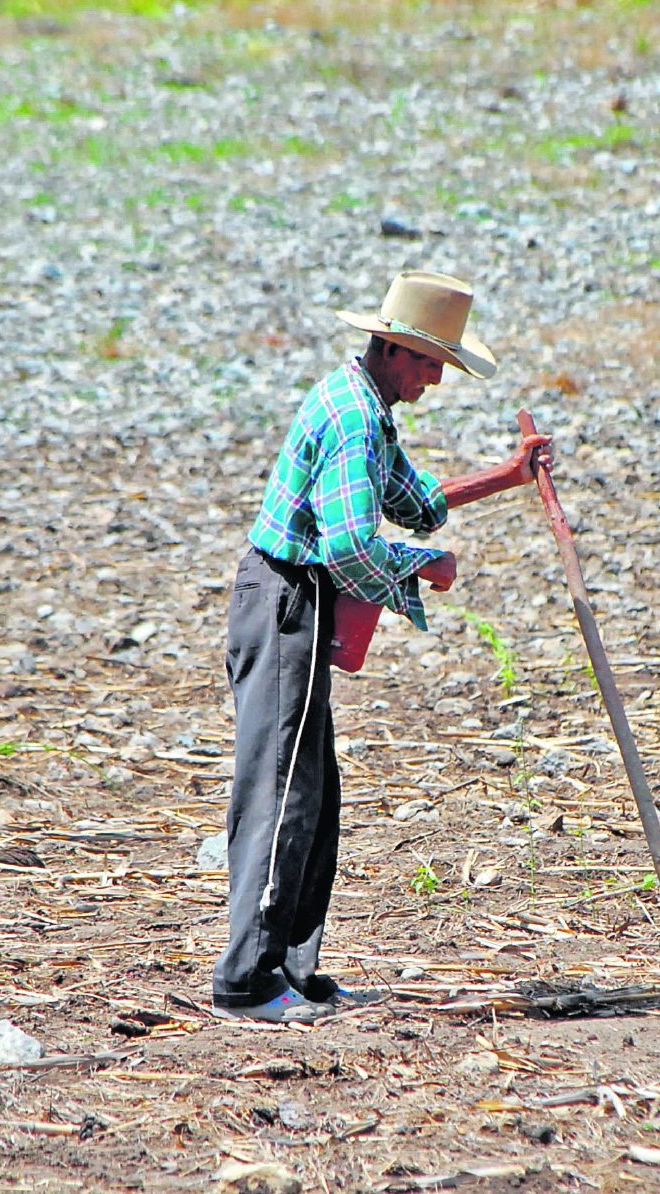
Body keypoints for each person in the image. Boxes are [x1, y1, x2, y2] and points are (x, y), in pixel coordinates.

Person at [214, 271, 552, 1023]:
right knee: (280, 791)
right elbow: (351, 549)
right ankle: (246, 983)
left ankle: (290, 971)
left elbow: (412, 502)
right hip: (285, 601)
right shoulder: (353, 419)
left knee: (315, 797)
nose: (435, 378)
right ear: (395, 349)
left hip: (296, 601)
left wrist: (506, 477)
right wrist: (422, 567)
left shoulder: (365, 404)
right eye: (431, 362)